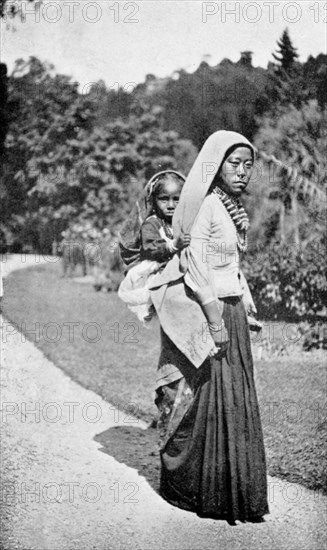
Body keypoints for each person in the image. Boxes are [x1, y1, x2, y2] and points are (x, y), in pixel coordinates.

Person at [149, 130, 269, 523]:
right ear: (215, 167)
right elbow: (197, 269)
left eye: (248, 165)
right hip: (210, 311)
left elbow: (230, 267)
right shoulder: (205, 207)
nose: (242, 172)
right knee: (212, 395)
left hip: (230, 308)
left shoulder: (229, 205)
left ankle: (233, 490)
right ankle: (190, 480)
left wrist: (246, 307)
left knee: (234, 397)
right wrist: (216, 321)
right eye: (234, 164)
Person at [118, 170, 191, 323]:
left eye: (176, 199)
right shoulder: (152, 223)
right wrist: (172, 246)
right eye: (164, 199)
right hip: (159, 269)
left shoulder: (184, 222)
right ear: (154, 200)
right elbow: (152, 248)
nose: (170, 205)